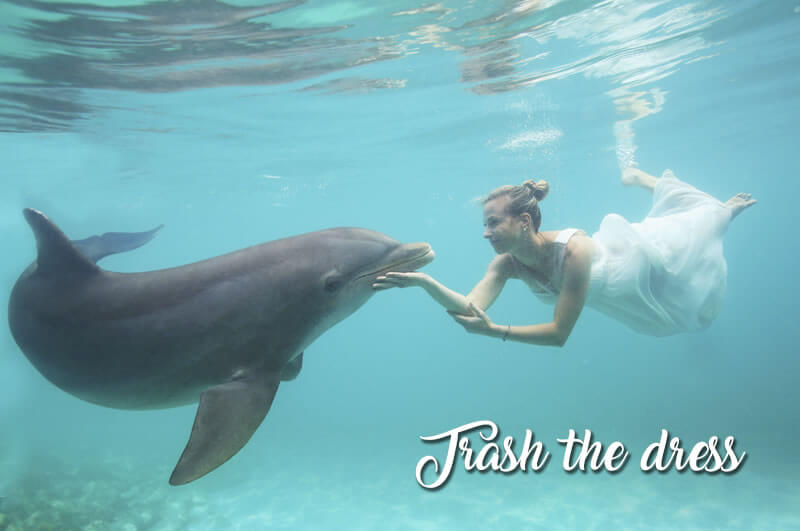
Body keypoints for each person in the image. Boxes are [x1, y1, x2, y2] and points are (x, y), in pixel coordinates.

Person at [372, 167, 756, 345]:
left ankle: (714, 209)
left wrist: (496, 331)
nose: (485, 233)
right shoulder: (506, 264)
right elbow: (469, 307)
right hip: (621, 299)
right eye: (484, 225)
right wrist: (424, 283)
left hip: (635, 259)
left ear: (524, 221)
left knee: (691, 239)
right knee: (695, 316)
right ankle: (690, 203)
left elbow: (559, 334)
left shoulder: (575, 251)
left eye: (492, 223)